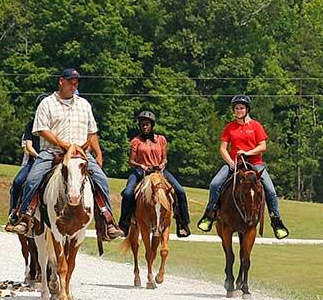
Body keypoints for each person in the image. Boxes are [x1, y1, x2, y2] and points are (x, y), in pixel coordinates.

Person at [5, 68, 124, 240]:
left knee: (102, 180)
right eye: (70, 83)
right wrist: (62, 144)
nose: (73, 86)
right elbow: (42, 129)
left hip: (79, 154)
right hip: (52, 152)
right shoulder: (47, 103)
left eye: (76, 84)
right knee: (32, 179)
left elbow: (92, 132)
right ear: (61, 81)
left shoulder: (84, 105)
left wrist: (95, 152)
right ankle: (25, 217)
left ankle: (108, 221)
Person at [196, 95, 289, 239]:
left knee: (270, 190)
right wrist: (231, 163)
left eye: (242, 108)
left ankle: (276, 221)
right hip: (235, 163)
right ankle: (209, 215)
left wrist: (247, 152)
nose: (239, 110)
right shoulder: (229, 127)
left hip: (255, 163)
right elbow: (222, 148)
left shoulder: (256, 126)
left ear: (247, 110)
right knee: (215, 184)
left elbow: (263, 146)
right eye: (236, 108)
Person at [118, 110, 192, 238]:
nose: (144, 126)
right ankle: (124, 224)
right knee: (128, 192)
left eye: (147, 124)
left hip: (159, 171)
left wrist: (163, 164)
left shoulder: (161, 139)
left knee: (180, 191)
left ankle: (183, 223)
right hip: (141, 171)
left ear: (152, 125)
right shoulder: (136, 141)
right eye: (142, 124)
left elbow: (164, 158)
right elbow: (131, 160)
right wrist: (140, 165)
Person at [6, 92, 49, 226]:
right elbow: (29, 147)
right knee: (18, 182)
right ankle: (14, 211)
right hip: (35, 161)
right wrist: (38, 156)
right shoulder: (31, 125)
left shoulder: (55, 125)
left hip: (53, 159)